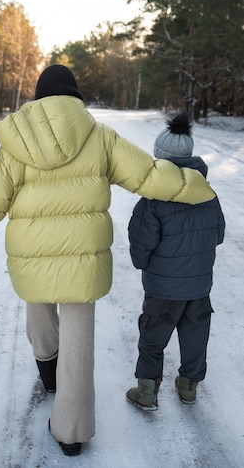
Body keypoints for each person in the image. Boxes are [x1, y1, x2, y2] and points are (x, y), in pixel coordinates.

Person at [0, 65, 216, 456]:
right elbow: (149, 176)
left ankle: (47, 367)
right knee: (78, 337)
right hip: (83, 260)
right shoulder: (99, 136)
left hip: (32, 255)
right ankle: (72, 431)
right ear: (75, 97)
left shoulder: (16, 144)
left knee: (38, 306)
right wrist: (196, 187)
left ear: (39, 98)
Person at [126, 111, 225, 410]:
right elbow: (218, 234)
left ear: (159, 159)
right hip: (198, 285)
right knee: (196, 334)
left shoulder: (153, 200)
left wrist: (144, 262)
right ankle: (188, 387)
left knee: (153, 335)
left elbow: (140, 246)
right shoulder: (208, 194)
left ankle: (146, 390)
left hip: (162, 288)